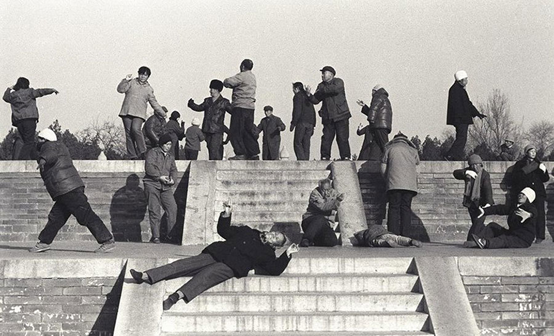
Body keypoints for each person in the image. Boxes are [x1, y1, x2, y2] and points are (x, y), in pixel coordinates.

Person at [129, 201, 299, 311]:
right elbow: (223, 231)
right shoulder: (248, 231)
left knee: (206, 276)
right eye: (275, 233)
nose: (273, 235)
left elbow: (274, 270)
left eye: (276, 238)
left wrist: (287, 254)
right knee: (184, 264)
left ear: (274, 245)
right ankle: (145, 276)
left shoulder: (268, 254)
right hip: (217, 252)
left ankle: (175, 297)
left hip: (231, 266)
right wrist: (226, 214)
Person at [29, 129, 115, 253]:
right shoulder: (59, 146)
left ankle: (107, 240)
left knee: (85, 214)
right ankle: (44, 242)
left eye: (39, 139)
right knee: (56, 217)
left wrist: (43, 160)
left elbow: (50, 155)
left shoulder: (49, 146)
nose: (38, 141)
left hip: (67, 189)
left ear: (44, 139)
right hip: (66, 189)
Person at [3, 77, 59, 160]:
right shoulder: (30, 92)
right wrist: (52, 90)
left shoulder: (13, 95)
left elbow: (5, 97)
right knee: (29, 142)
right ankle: (22, 160)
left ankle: (35, 158)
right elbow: (41, 92)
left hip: (19, 121)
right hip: (29, 119)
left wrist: (10, 88)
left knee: (26, 141)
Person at [117, 66, 165, 160]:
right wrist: (125, 80)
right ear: (139, 74)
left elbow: (153, 102)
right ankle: (133, 155)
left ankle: (143, 151)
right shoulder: (131, 82)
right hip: (127, 111)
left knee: (135, 129)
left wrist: (162, 112)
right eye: (141, 74)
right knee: (129, 133)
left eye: (145, 75)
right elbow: (120, 90)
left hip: (139, 113)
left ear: (148, 77)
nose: (143, 76)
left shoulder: (148, 89)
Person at [306, 66, 351, 160]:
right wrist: (309, 95)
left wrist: (321, 89)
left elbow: (334, 89)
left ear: (331, 74)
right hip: (328, 117)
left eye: (324, 73)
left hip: (341, 115)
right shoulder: (321, 86)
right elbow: (316, 100)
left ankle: (345, 157)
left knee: (342, 138)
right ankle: (325, 157)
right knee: (326, 138)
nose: (322, 75)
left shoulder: (338, 82)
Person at [470, 187, 537, 249]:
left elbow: (534, 213)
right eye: (520, 193)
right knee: (492, 226)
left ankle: (485, 243)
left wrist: (529, 215)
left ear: (528, 198)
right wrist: (484, 211)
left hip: (523, 239)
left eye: (524, 195)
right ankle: (475, 241)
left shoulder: (530, 207)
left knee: (504, 239)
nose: (520, 195)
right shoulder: (515, 207)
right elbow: (500, 209)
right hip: (512, 234)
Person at [381, 132, 420, 236]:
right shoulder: (413, 150)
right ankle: (405, 235)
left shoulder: (389, 148)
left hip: (394, 184)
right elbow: (417, 169)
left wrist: (387, 179)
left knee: (394, 208)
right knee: (406, 208)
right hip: (410, 186)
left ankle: (393, 234)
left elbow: (383, 168)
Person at [511, 144, 549, 243]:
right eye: (531, 151)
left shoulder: (539, 164)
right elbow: (515, 178)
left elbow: (545, 179)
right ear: (526, 152)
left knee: (540, 213)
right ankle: (524, 233)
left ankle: (540, 236)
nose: (533, 153)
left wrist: (544, 171)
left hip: (538, 193)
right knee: (524, 212)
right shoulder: (520, 164)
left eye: (534, 151)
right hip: (525, 193)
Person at [444, 70, 486, 161]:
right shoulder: (457, 90)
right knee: (462, 138)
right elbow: (466, 104)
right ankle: (451, 154)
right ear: (461, 80)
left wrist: (477, 113)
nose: (467, 81)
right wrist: (475, 113)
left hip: (459, 118)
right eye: (465, 79)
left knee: (461, 137)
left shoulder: (456, 89)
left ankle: (455, 155)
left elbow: (467, 104)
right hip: (461, 119)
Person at [143, 134, 178, 244]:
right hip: (152, 184)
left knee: (172, 208)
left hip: (166, 186)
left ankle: (171, 236)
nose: (169, 146)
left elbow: (174, 169)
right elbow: (149, 167)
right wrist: (159, 177)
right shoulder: (153, 152)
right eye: (167, 144)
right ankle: (156, 236)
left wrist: (173, 179)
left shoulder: (170, 156)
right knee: (154, 210)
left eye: (170, 145)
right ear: (162, 144)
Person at [224, 59, 260, 160]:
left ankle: (240, 153)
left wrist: (225, 82)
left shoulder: (242, 75)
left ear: (243, 66)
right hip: (250, 107)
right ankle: (253, 153)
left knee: (235, 130)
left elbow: (228, 82)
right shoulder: (253, 77)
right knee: (247, 131)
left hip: (240, 106)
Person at [453, 154, 494, 243]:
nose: (475, 167)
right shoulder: (468, 172)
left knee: (478, 223)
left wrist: (488, 203)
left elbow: (487, 189)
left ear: (480, 164)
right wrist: (466, 173)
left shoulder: (484, 174)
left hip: (482, 203)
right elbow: (455, 173)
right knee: (476, 223)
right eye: (472, 165)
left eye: (477, 164)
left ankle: (470, 240)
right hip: (471, 203)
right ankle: (481, 240)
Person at [187, 79, 233, 160]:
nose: (210, 90)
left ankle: (216, 168)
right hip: (207, 130)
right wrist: (191, 104)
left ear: (218, 90)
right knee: (211, 149)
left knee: (215, 150)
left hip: (217, 131)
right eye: (210, 88)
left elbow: (233, 112)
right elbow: (199, 107)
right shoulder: (207, 101)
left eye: (212, 89)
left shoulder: (224, 102)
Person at [300, 178, 343, 247]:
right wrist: (336, 202)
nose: (326, 192)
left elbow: (340, 197)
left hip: (325, 223)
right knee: (320, 218)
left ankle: (315, 241)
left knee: (332, 241)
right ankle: (306, 239)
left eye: (328, 190)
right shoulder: (314, 194)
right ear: (320, 188)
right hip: (310, 222)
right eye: (324, 190)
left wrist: (340, 198)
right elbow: (323, 207)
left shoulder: (333, 192)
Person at [356, 84, 393, 161]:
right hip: (383, 124)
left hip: (379, 125)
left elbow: (374, 109)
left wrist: (371, 120)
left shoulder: (377, 96)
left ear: (375, 91)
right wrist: (364, 106)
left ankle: (390, 159)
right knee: (379, 144)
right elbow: (377, 112)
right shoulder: (384, 98)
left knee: (384, 144)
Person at [290, 82, 316, 160]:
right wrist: (313, 124)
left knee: (297, 142)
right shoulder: (307, 96)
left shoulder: (297, 96)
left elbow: (297, 110)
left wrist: (293, 123)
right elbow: (312, 111)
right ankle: (306, 161)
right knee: (306, 143)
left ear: (296, 89)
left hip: (301, 122)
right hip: (310, 123)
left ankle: (302, 160)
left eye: (293, 89)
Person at [354, 225, 422, 248]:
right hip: (384, 233)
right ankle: (409, 241)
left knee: (378, 242)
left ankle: (385, 243)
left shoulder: (362, 235)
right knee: (397, 238)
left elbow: (362, 239)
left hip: (373, 238)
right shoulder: (372, 228)